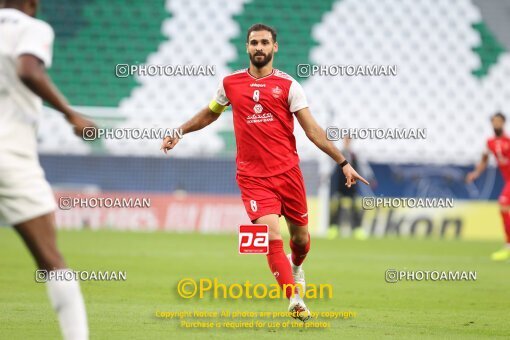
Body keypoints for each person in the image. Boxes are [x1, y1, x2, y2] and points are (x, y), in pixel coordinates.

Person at [161, 23, 368, 321]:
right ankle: (294, 299)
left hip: (288, 174)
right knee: (271, 234)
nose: (259, 47)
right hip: (252, 177)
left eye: (264, 43)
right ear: (247, 47)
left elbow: (312, 131)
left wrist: (343, 161)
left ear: (275, 47)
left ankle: (296, 267)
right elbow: (210, 112)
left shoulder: (289, 86)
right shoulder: (230, 83)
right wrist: (179, 131)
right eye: (254, 43)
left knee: (300, 240)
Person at [0, 0, 94, 338]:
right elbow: (28, 68)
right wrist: (70, 113)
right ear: (32, 3)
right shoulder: (32, 27)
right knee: (51, 259)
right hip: (9, 156)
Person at [466, 112, 510, 261]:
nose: (496, 124)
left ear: (503, 123)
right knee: (503, 207)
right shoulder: (490, 142)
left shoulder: (508, 141)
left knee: (503, 203)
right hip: (507, 180)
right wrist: (476, 173)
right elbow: (484, 160)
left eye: (499, 121)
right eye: (494, 121)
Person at [328, 137, 376, 240]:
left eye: (349, 140)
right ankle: (333, 228)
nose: (347, 142)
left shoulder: (355, 155)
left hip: (352, 185)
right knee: (337, 207)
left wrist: (370, 178)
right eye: (346, 140)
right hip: (340, 185)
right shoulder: (338, 153)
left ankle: (357, 229)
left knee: (354, 208)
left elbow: (363, 167)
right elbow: (331, 168)